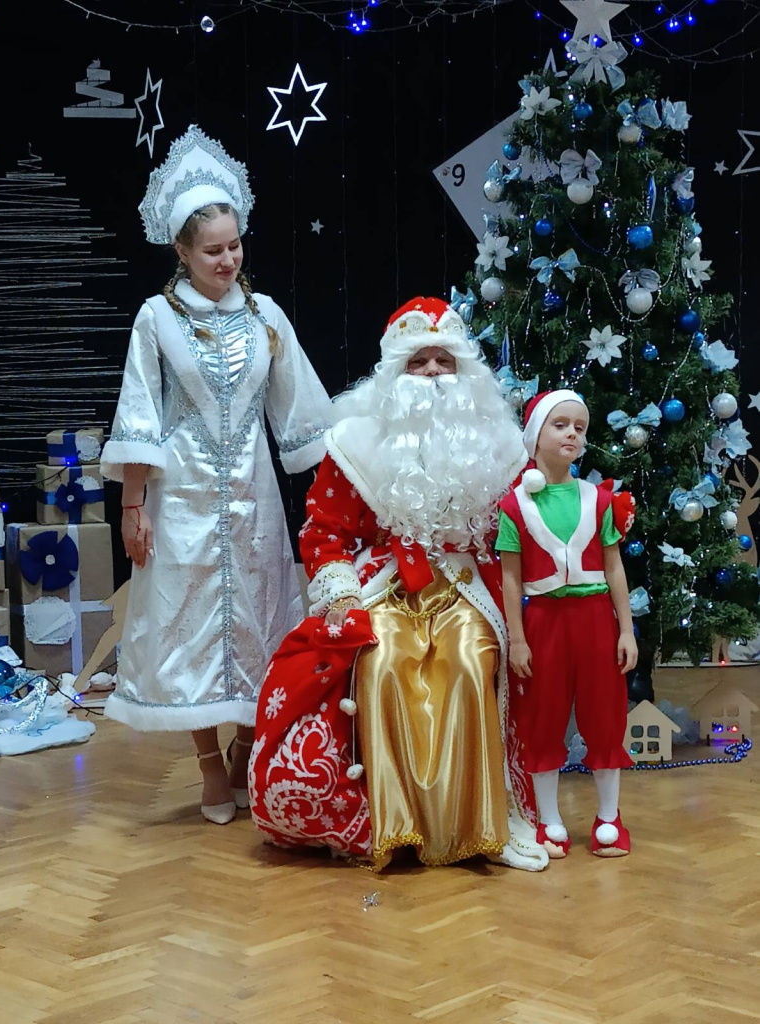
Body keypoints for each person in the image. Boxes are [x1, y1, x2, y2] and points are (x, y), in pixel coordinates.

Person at [248, 296, 549, 872]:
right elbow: (323, 531)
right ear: (394, 372)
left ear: (463, 370)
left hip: (466, 584)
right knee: (381, 663)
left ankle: (472, 827)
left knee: (467, 663)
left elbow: (521, 534)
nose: (432, 373)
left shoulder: (503, 448)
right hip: (385, 581)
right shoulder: (355, 443)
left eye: (443, 360)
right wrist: (340, 594)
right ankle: (395, 826)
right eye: (418, 361)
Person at [101, 125, 334, 825]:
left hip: (253, 499)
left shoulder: (266, 316)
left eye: (235, 246)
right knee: (189, 629)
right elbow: (139, 414)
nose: (228, 260)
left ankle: (243, 750)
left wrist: (337, 503)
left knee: (261, 622)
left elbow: (304, 415)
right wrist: (133, 506)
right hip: (181, 498)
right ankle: (207, 762)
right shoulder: (156, 319)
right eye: (212, 250)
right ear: (181, 251)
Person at [497, 390, 637, 859]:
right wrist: (517, 638)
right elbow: (511, 578)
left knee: (605, 714)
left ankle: (609, 817)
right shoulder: (515, 507)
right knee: (543, 715)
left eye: (580, 426)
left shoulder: (599, 500)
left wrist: (626, 629)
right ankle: (549, 818)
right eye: (560, 425)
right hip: (543, 623)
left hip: (595, 620)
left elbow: (614, 567)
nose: (572, 434)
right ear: (535, 435)